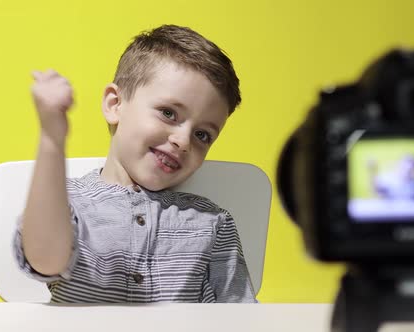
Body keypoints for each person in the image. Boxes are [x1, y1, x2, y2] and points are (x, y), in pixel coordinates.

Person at [14, 24, 256, 303]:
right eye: (168, 113)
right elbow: (45, 260)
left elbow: (240, 316)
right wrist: (52, 140)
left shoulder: (213, 223)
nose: (184, 140)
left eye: (203, 135)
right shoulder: (67, 203)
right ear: (115, 104)